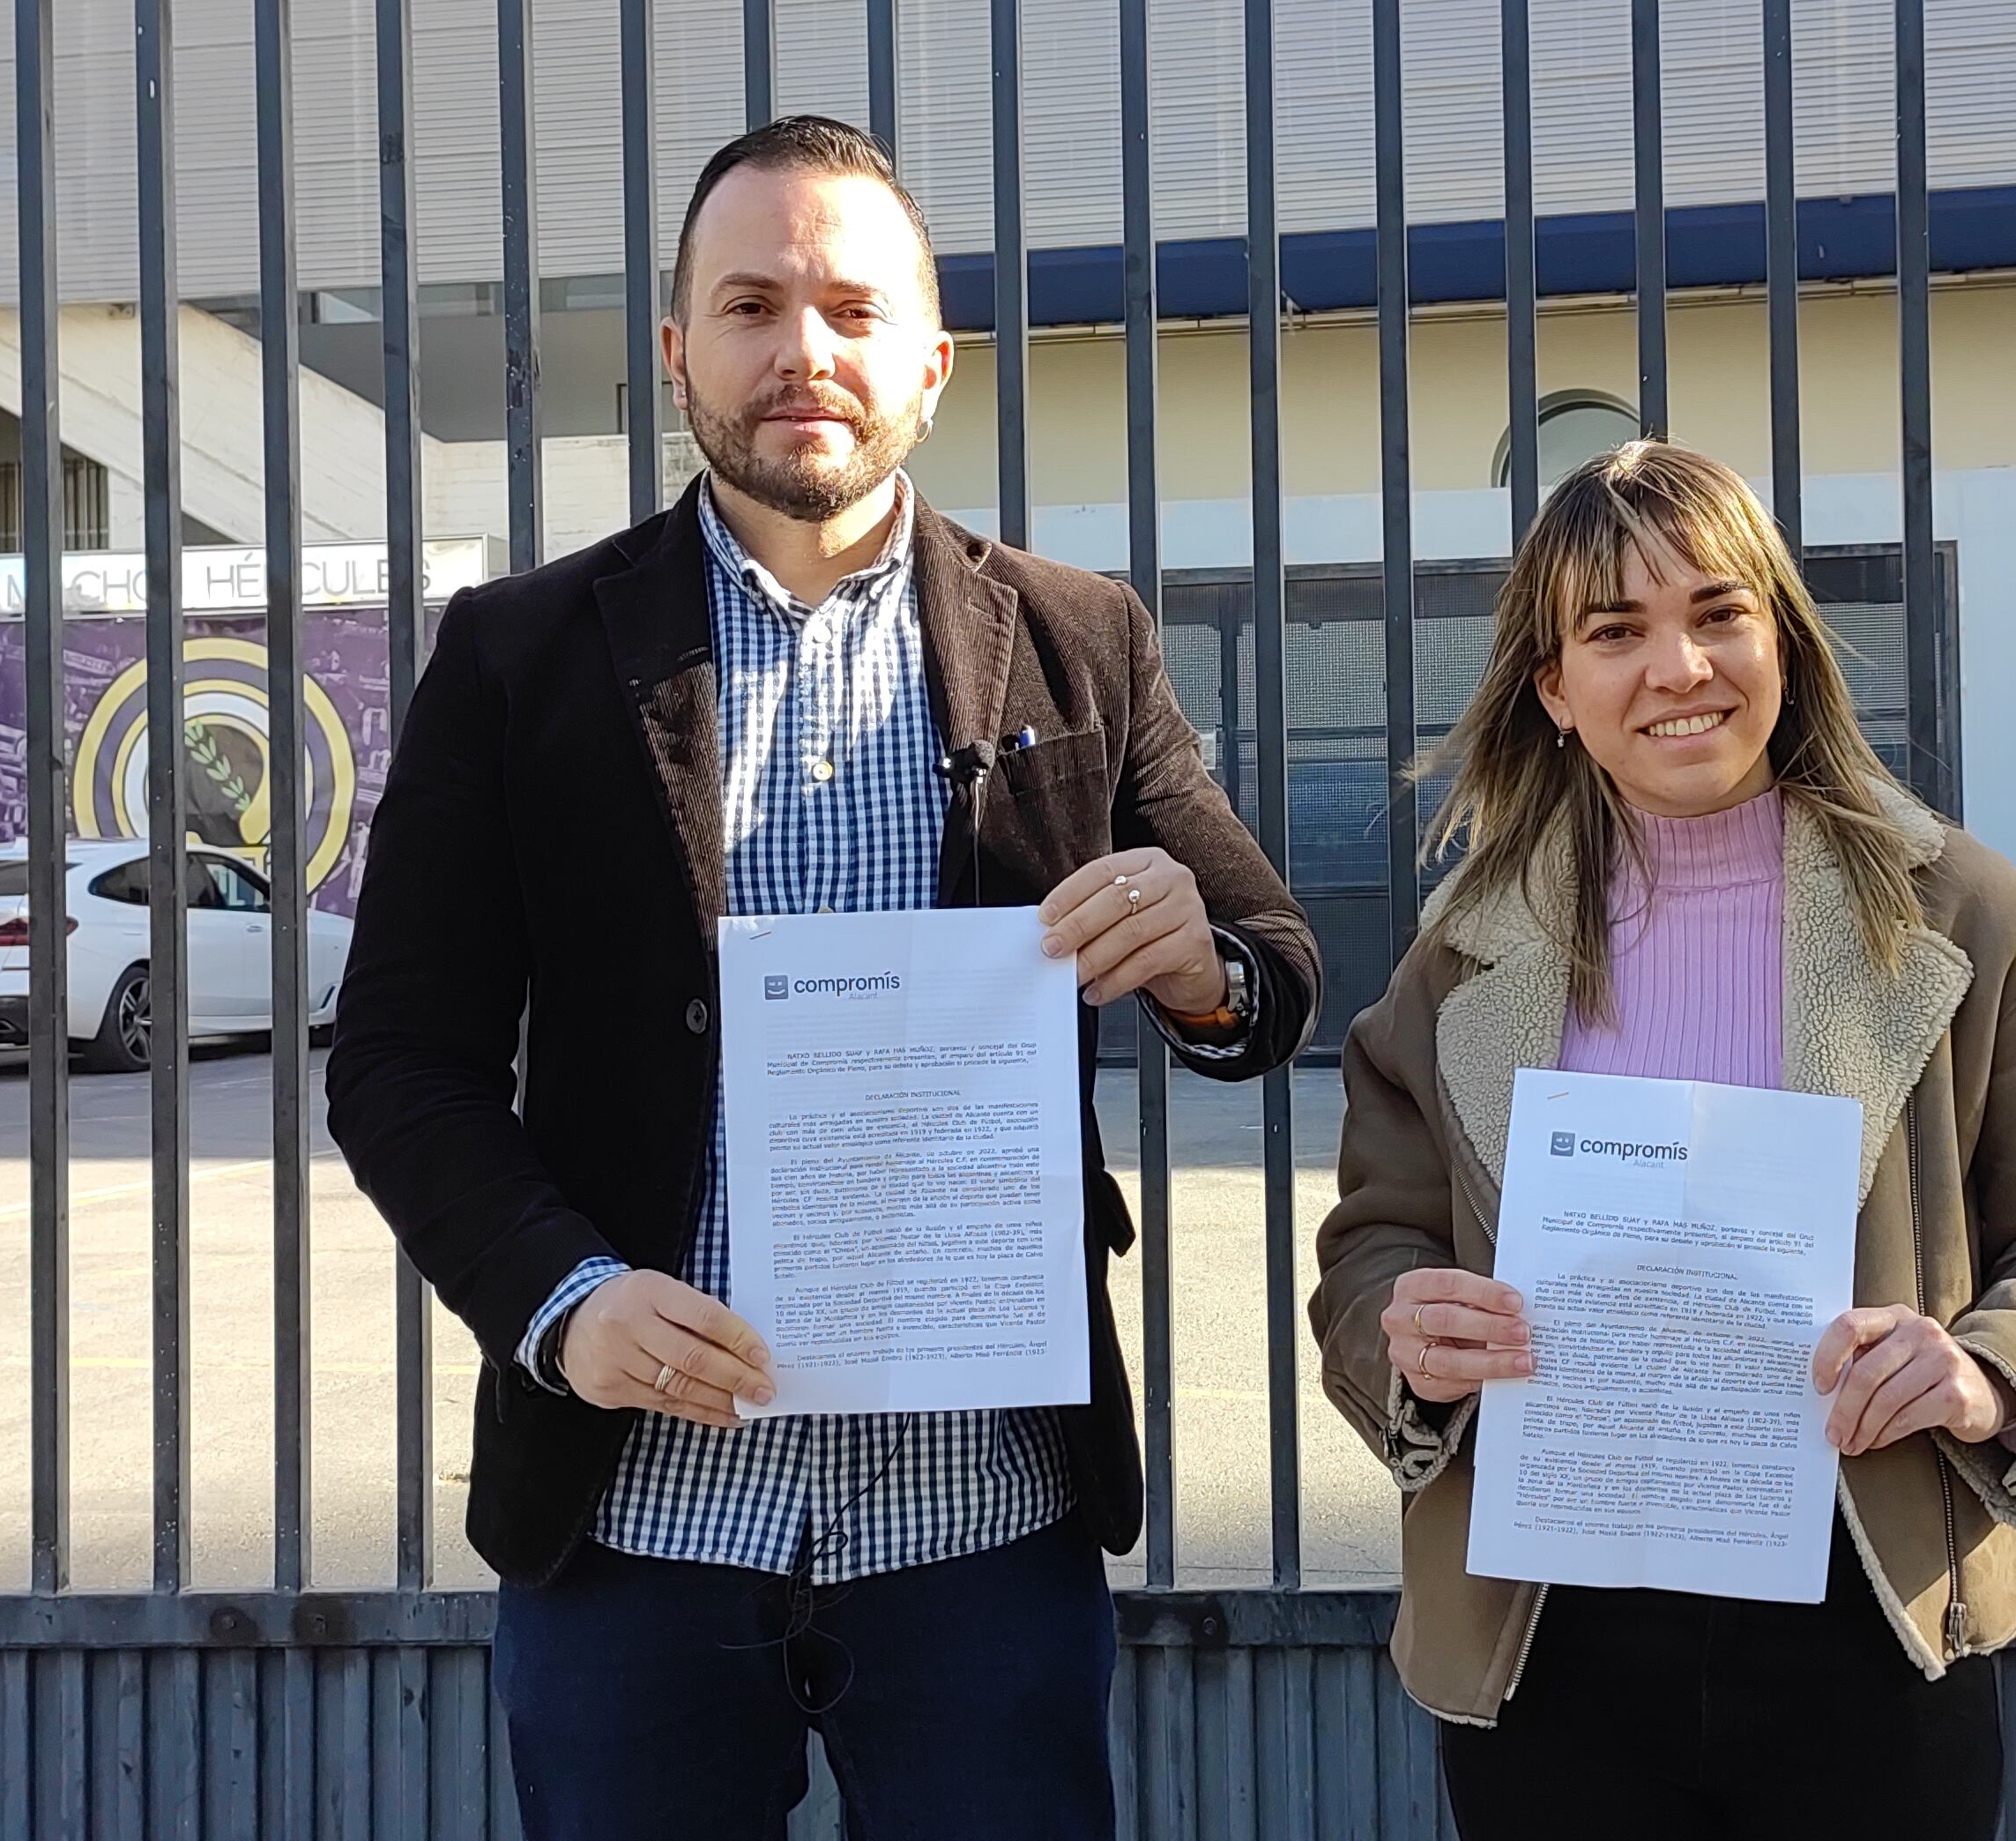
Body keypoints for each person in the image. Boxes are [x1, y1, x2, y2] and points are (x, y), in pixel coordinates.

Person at [327, 116, 1318, 1841]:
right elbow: (398, 1060)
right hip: (639, 1523)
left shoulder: (1084, 638)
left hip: (979, 1526)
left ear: (928, 365)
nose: (804, 350)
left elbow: (1273, 971)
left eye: (853, 309)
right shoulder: (520, 656)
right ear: (677, 350)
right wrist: (562, 1301)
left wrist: (1203, 966)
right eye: (752, 302)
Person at [1305, 441, 2016, 1837]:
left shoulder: (1966, 918)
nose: (1681, 667)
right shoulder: (1460, 954)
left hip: (1870, 1615)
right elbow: (1373, 1242)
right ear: (1552, 687)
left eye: (1720, 613)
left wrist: (1983, 1373)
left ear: (1780, 637)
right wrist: (1400, 1330)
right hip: (1549, 1635)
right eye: (1616, 631)